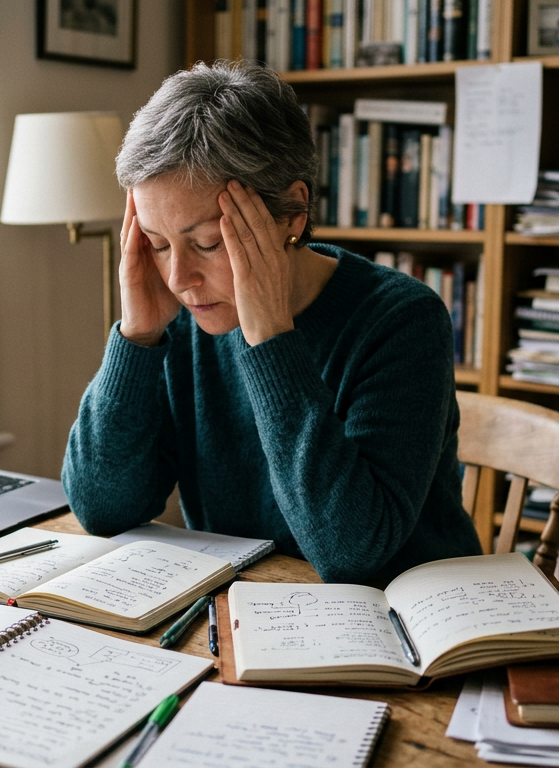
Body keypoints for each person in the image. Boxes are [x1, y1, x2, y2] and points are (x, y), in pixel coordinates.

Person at [61, 61, 479, 586]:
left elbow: (351, 552)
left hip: (403, 613)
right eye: (158, 243)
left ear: (293, 216)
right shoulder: (187, 317)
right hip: (249, 606)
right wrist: (138, 337)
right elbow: (102, 509)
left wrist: (270, 341)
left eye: (207, 243)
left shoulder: (403, 320)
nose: (179, 278)